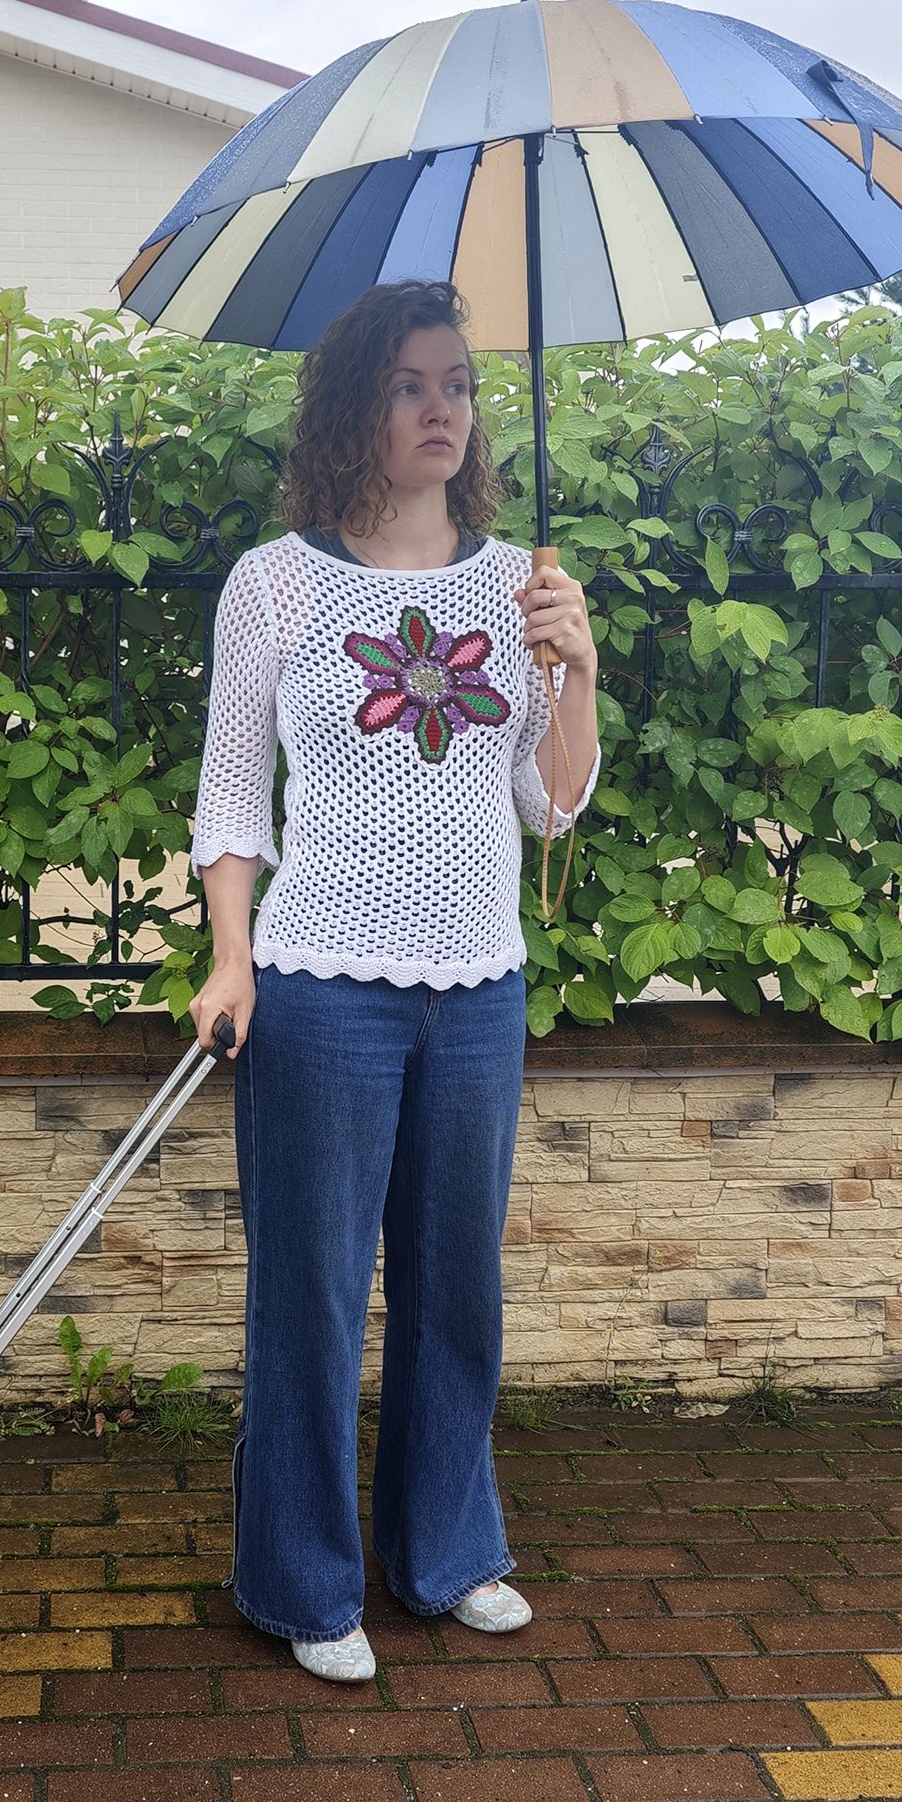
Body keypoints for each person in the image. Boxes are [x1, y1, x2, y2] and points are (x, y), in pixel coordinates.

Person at [184, 278, 602, 1684]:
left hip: (479, 986)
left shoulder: (521, 586)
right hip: (321, 987)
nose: (443, 409)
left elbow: (552, 806)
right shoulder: (277, 583)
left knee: (454, 1286)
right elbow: (233, 793)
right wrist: (231, 958)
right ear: (356, 405)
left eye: (460, 385)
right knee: (309, 1293)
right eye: (412, 384)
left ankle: (448, 1553)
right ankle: (304, 1583)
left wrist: (578, 666)